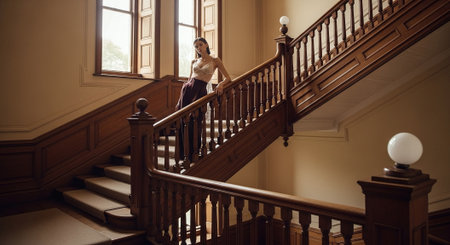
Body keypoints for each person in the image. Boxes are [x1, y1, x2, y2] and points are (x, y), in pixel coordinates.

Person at [176, 37, 231, 163]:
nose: (198, 48)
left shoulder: (215, 60)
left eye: (200, 44)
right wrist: (180, 98)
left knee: (196, 120)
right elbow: (190, 79)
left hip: (200, 91)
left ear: (206, 45)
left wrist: (221, 84)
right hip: (187, 91)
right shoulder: (193, 61)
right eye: (196, 46)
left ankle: (193, 152)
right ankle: (184, 154)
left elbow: (228, 77)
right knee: (184, 120)